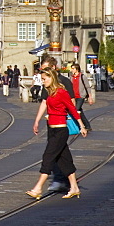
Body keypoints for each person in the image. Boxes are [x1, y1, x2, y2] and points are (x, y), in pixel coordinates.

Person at [25, 68, 87, 200]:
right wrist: (38, 120)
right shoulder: (49, 92)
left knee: (48, 157)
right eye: (41, 79)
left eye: (44, 79)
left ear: (51, 78)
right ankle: (74, 187)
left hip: (60, 130)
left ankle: (38, 188)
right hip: (51, 129)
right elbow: (46, 105)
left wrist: (82, 126)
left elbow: (72, 109)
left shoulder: (61, 92)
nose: (42, 82)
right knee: (63, 159)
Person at [69, 63, 93, 130]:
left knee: (75, 110)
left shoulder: (82, 76)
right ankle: (87, 125)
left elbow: (87, 87)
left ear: (77, 69)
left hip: (80, 96)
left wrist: (90, 97)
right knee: (79, 111)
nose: (71, 70)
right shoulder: (71, 77)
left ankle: (79, 126)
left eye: (73, 68)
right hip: (73, 97)